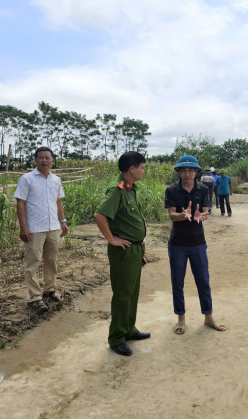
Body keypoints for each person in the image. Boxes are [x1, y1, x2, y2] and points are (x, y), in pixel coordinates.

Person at [93, 151, 150, 357]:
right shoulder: (117, 190)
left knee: (132, 292)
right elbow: (100, 215)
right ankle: (117, 337)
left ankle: (129, 329)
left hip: (135, 249)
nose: (144, 171)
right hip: (123, 251)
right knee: (122, 295)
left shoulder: (130, 189)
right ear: (132, 168)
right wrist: (112, 239)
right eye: (142, 167)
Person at [165, 155, 225, 335]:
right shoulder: (172, 190)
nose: (187, 173)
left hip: (198, 242)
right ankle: (181, 319)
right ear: (179, 171)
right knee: (177, 281)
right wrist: (182, 216)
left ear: (196, 171)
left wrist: (200, 215)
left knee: (203, 280)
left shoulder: (204, 189)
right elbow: (171, 215)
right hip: (178, 243)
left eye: (190, 170)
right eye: (183, 170)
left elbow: (205, 211)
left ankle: (208, 317)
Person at [14, 147, 69, 312]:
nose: (44, 160)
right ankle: (35, 297)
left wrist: (63, 222)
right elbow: (20, 203)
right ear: (35, 160)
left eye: (47, 158)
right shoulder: (27, 179)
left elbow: (58, 202)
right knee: (33, 262)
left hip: (53, 227)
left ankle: (49, 289)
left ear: (52, 161)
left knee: (51, 260)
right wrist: (23, 227)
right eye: (41, 158)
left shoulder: (56, 180)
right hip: (35, 228)